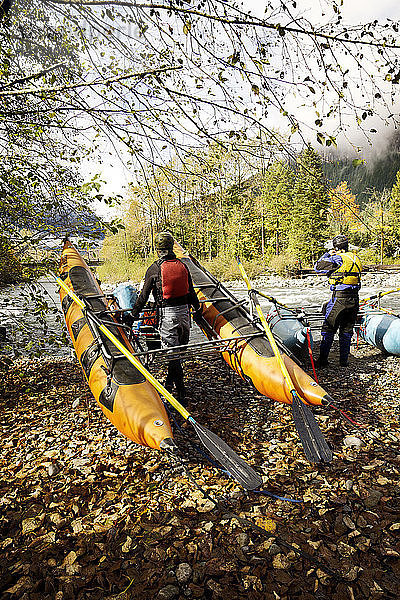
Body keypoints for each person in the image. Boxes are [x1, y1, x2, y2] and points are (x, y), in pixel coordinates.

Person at [126, 231, 202, 405]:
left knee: (172, 355)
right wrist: (197, 308)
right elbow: (190, 292)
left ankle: (181, 391)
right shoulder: (183, 266)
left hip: (168, 317)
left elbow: (143, 296)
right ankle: (169, 381)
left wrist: (133, 315)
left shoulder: (154, 268)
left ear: (157, 249)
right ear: (171, 247)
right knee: (178, 352)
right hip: (185, 315)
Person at [314, 234, 362, 368]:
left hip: (339, 298)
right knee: (346, 331)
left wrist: (327, 254)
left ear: (335, 247)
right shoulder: (355, 258)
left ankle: (323, 360)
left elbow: (317, 267)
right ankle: (344, 362)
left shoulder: (337, 258)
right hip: (354, 299)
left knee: (328, 329)